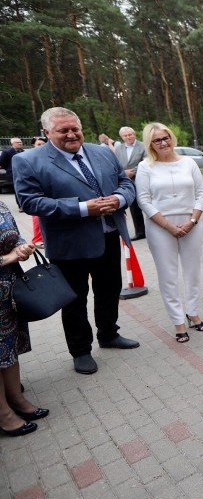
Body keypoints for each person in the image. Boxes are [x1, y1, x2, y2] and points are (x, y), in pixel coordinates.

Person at [13, 107, 139, 375]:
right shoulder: (28, 160)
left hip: (107, 236)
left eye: (75, 129)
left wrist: (118, 199)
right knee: (74, 299)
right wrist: (82, 208)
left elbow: (124, 183)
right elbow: (29, 201)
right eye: (63, 131)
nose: (71, 134)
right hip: (69, 244)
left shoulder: (103, 152)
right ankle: (81, 350)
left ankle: (108, 334)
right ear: (47, 133)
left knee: (109, 289)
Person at [136, 123, 203, 343]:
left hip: (191, 224)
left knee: (192, 272)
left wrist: (192, 221)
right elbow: (143, 200)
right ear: (150, 143)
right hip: (160, 227)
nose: (164, 143)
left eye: (166, 137)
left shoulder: (188, 162)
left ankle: (192, 312)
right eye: (157, 140)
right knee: (168, 276)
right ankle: (177, 321)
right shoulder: (145, 166)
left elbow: (201, 193)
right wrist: (168, 226)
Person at [0, 201, 48, 437]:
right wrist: (9, 258)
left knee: (8, 348)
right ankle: (4, 414)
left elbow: (13, 236)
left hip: (9, 291)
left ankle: (16, 399)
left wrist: (22, 247)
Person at [115, 126, 147, 241]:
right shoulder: (118, 149)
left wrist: (133, 172)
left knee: (148, 204)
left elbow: (147, 161)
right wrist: (122, 173)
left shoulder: (143, 146)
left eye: (130, 134)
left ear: (134, 134)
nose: (128, 137)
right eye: (125, 135)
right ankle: (140, 232)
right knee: (134, 208)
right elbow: (115, 163)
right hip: (126, 182)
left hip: (142, 179)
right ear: (121, 137)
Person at [29, 138, 47, 249]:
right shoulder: (30, 158)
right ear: (33, 145)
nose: (41, 146)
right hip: (38, 192)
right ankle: (37, 238)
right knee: (37, 216)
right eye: (38, 144)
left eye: (43, 144)